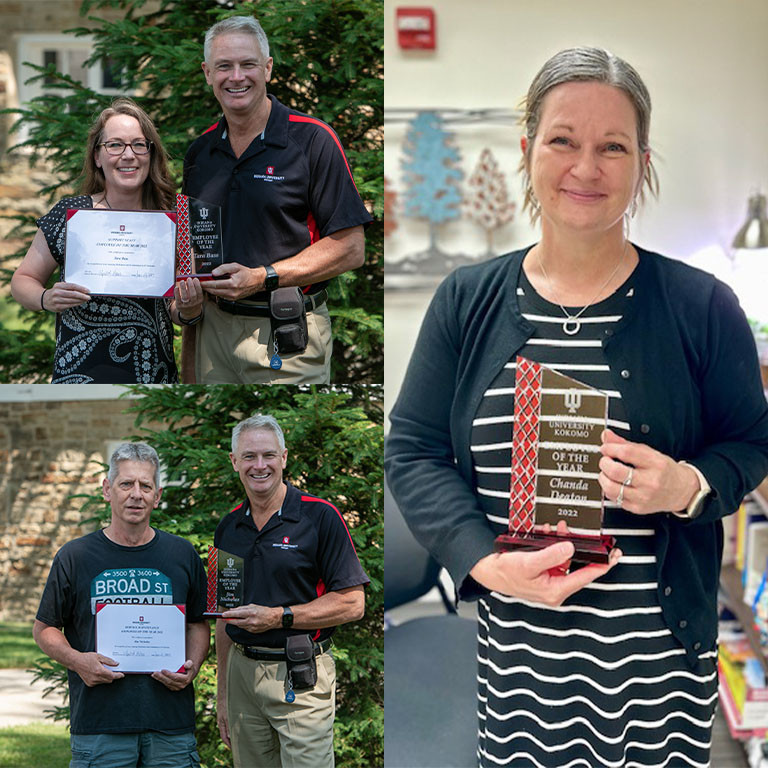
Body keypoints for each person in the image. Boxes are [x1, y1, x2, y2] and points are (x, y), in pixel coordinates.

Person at [385, 47, 768, 767]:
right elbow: (412, 450)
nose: (586, 168)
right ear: (528, 149)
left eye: (612, 147)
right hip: (519, 670)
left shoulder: (703, 306)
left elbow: (751, 441)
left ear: (642, 163)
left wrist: (687, 485)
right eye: (563, 140)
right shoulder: (466, 301)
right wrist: (482, 561)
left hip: (660, 673)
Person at [182, 16, 373, 385]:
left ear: (267, 68)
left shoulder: (313, 140)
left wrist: (262, 277)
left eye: (248, 64)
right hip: (212, 334)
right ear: (207, 73)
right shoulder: (200, 153)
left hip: (286, 337)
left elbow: (351, 248)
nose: (236, 76)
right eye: (224, 66)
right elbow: (193, 249)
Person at [33, 442, 209, 767]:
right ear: (107, 490)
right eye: (126, 484)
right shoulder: (75, 556)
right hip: (100, 725)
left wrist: (192, 667)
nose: (136, 494)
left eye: (146, 486)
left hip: (170, 724)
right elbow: (44, 628)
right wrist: (78, 661)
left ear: (157, 495)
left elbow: (198, 623)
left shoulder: (182, 555)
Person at [11, 98, 204, 383]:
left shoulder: (173, 220)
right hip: (78, 374)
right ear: (97, 157)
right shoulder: (71, 215)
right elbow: (22, 280)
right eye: (115, 145)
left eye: (139, 145)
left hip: (151, 374)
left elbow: (178, 310)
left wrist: (189, 309)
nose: (128, 155)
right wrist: (45, 298)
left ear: (150, 154)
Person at [214, 413, 368, 768]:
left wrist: (279, 617)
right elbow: (224, 614)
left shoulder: (320, 516)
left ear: (284, 458)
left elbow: (352, 603)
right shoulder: (228, 527)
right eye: (249, 456)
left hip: (300, 676)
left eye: (268, 455)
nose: (259, 465)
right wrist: (223, 694)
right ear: (234, 461)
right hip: (241, 677)